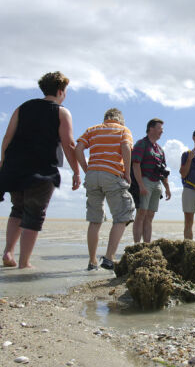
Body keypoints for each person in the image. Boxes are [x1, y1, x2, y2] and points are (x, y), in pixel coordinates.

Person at [0, 71, 80, 269]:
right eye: (65, 90)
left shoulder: (23, 107)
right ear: (60, 90)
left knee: (17, 209)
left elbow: (8, 136)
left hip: (15, 167)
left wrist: (3, 160)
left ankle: (8, 251)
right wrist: (76, 171)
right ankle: (24, 262)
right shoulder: (61, 112)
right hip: (42, 170)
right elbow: (69, 144)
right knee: (35, 214)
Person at [75, 108, 135, 271]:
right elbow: (126, 148)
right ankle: (109, 258)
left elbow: (78, 148)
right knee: (122, 215)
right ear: (120, 120)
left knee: (95, 219)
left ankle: (92, 261)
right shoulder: (123, 130)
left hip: (93, 175)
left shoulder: (93, 130)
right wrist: (127, 173)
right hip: (112, 174)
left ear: (105, 119)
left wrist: (86, 169)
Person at [131, 118, 171, 243]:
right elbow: (135, 165)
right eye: (160, 128)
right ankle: (137, 245)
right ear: (151, 129)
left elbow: (163, 170)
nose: (162, 132)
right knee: (141, 214)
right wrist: (141, 185)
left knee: (150, 216)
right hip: (145, 181)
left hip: (157, 183)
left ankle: (147, 245)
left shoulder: (160, 149)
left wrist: (167, 188)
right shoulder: (141, 143)